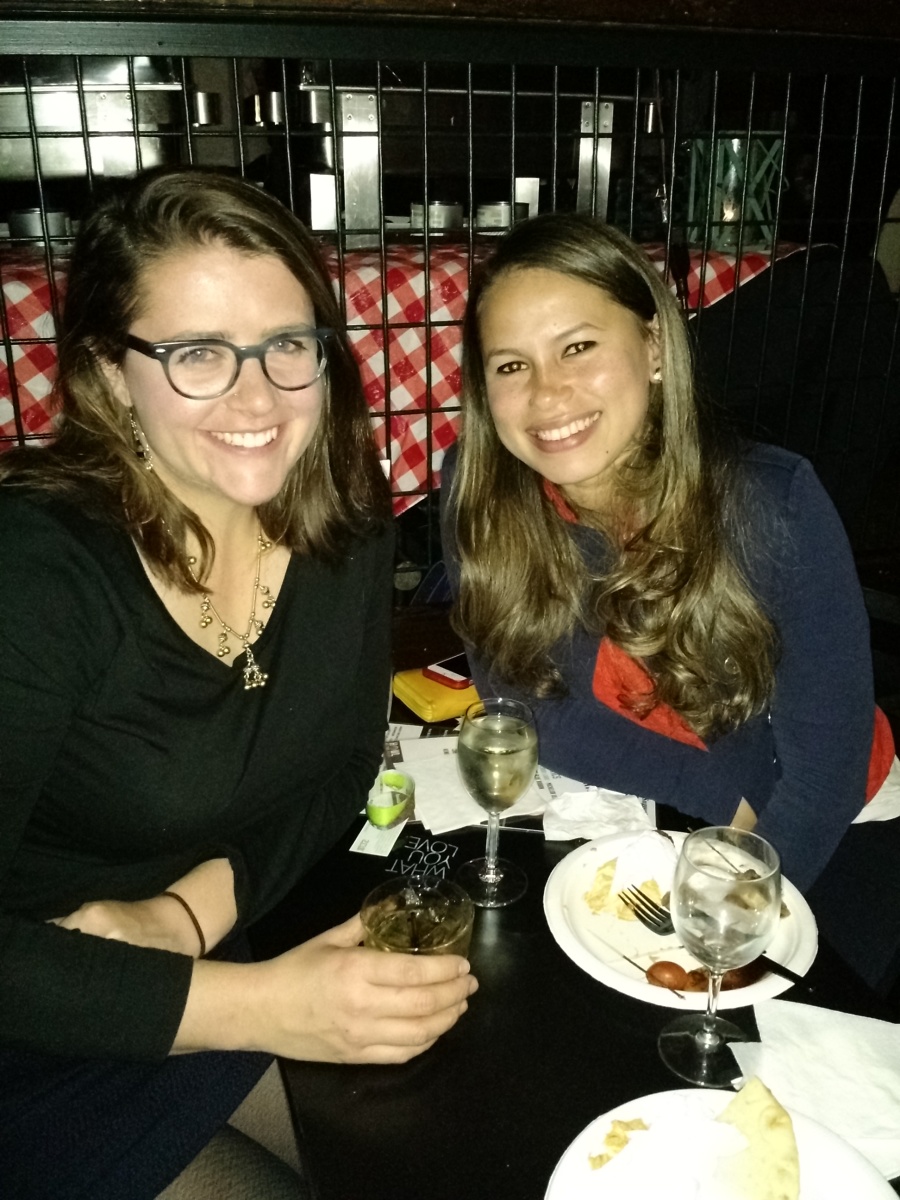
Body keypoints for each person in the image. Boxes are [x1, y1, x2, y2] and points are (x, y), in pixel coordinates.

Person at [0, 168, 477, 1199]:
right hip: (34, 1014)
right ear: (110, 373)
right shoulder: (36, 575)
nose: (258, 399)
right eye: (198, 355)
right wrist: (261, 1007)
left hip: (212, 959)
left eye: (286, 345)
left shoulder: (345, 526)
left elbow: (343, 763)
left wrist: (186, 917)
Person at [441, 211, 900, 999]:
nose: (547, 393)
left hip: (823, 822)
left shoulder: (774, 503)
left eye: (578, 347)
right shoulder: (480, 492)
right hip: (656, 804)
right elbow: (519, 701)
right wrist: (719, 797)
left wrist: (734, 883)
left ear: (653, 346)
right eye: (511, 365)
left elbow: (823, 773)